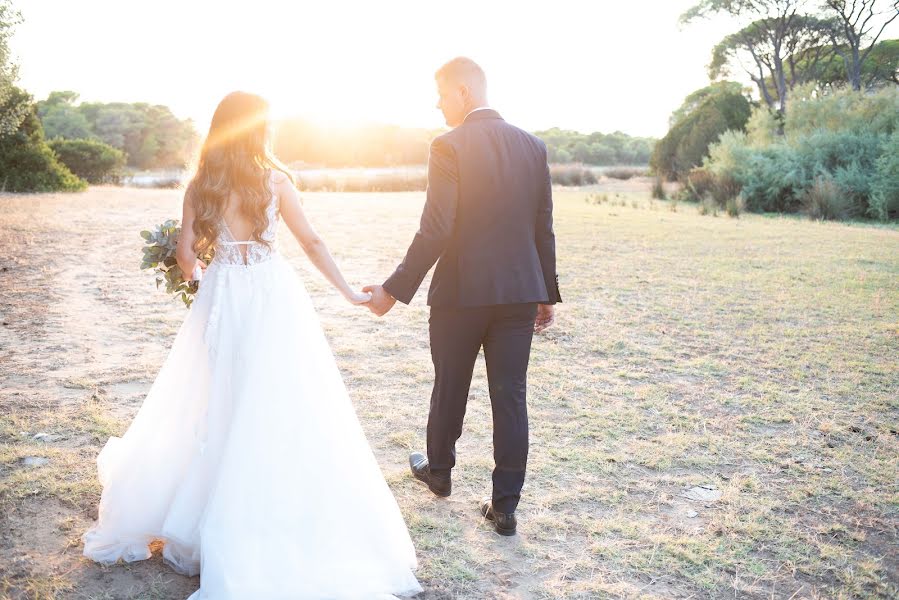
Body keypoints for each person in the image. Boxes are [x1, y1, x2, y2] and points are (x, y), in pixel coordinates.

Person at [81, 91, 422, 599]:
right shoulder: (276, 181)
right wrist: (350, 291)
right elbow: (312, 242)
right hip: (271, 296)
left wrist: (196, 277)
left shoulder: (201, 185)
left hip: (222, 297)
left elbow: (186, 253)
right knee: (279, 398)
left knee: (214, 398)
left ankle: (202, 505)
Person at [364, 57, 561, 536]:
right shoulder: (533, 146)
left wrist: (392, 290)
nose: (437, 103)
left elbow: (436, 228)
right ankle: (506, 507)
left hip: (460, 293)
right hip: (518, 293)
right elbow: (543, 225)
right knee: (511, 396)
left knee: (450, 383)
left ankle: (440, 472)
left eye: (441, 93)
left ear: (464, 92)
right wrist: (546, 293)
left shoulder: (448, 145)